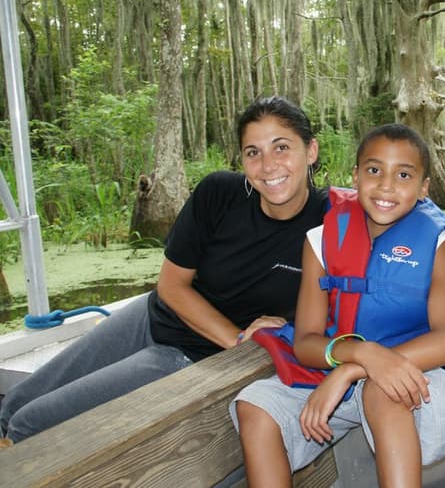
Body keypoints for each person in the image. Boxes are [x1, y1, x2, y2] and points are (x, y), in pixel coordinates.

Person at [0, 96, 328, 445]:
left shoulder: (332, 221)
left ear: (310, 151)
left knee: (30, 424)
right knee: (15, 404)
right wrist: (238, 338)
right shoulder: (219, 193)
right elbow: (172, 286)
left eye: (281, 148)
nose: (267, 165)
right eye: (253, 152)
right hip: (149, 318)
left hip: (190, 356)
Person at [231, 124, 445, 488]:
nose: (386, 186)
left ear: (423, 188)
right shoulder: (321, 240)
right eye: (374, 171)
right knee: (255, 405)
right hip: (334, 369)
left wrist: (354, 369)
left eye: (403, 175)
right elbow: (306, 342)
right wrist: (362, 355)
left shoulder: (435, 243)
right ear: (355, 176)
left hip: (413, 375)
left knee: (382, 387)